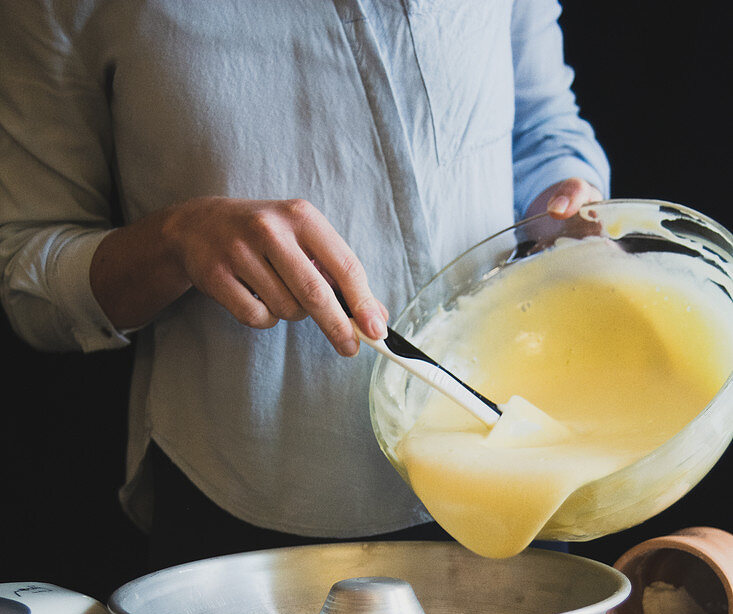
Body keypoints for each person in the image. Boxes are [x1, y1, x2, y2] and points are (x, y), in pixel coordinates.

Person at [0, 1, 608, 570]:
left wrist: (567, 195)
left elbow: (544, 128)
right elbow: (29, 270)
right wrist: (174, 239)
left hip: (523, 471)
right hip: (247, 511)